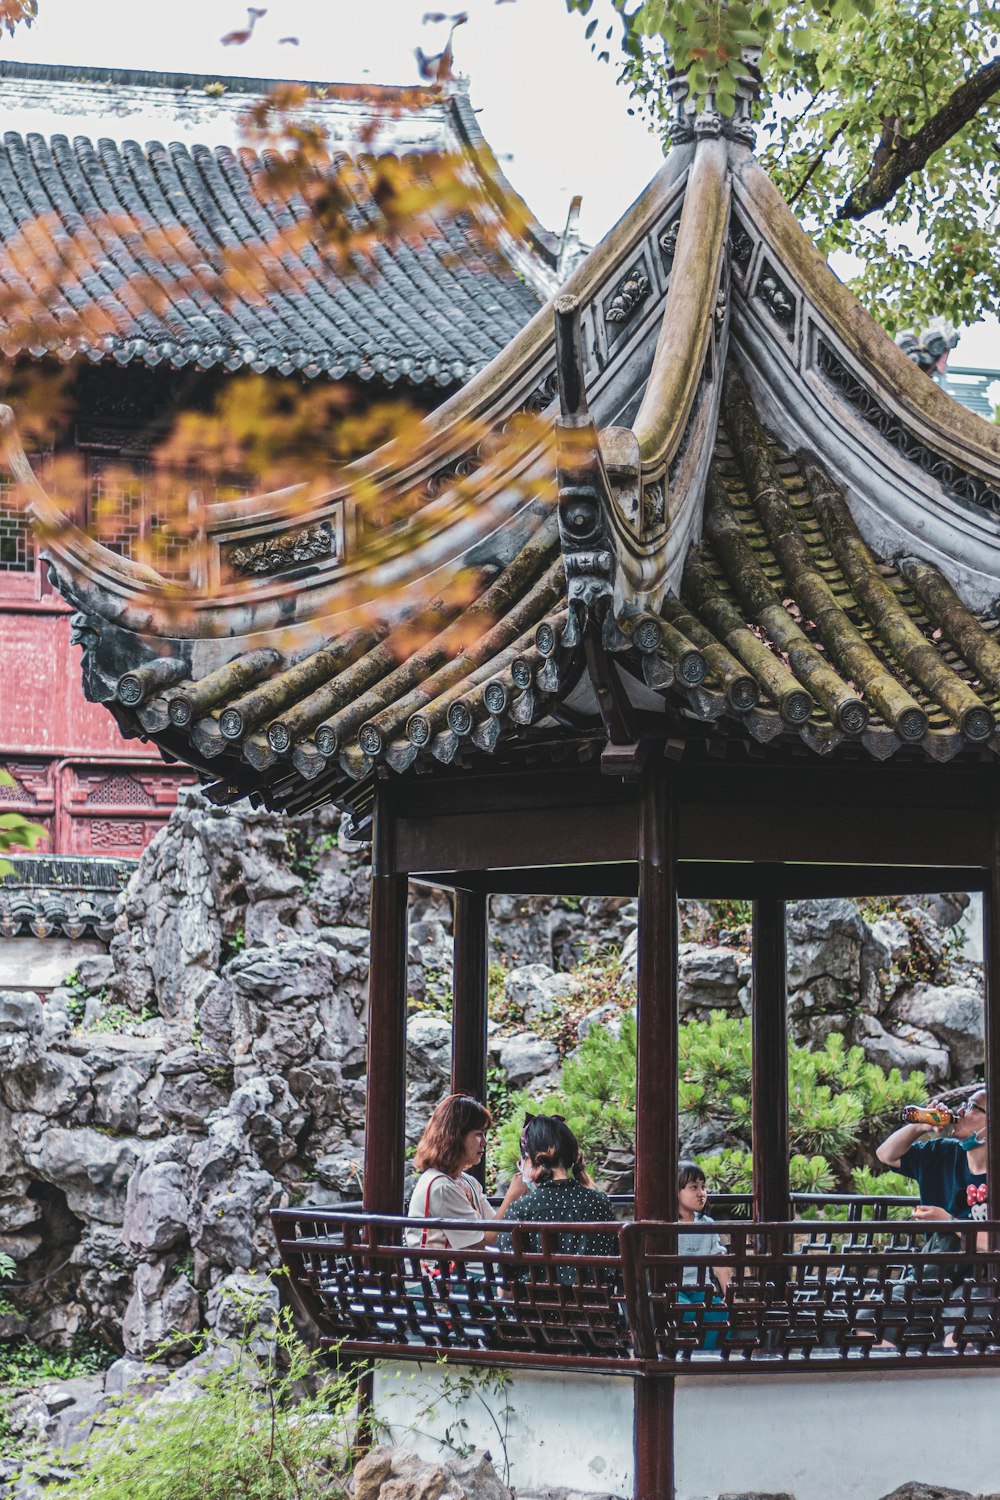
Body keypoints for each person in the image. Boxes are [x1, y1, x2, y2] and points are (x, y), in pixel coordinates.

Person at [875, 1088, 988, 1344]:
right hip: (936, 1271)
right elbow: (886, 1155)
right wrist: (921, 1125)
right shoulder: (944, 1153)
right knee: (872, 1322)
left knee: (958, 1337)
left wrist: (947, 1222)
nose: (960, 1111)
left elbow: (993, 1244)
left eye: (972, 1107)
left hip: (985, 1276)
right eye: (963, 1104)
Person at [497, 1113, 618, 1285]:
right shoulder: (600, 1202)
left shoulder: (521, 1209)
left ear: (530, 1159)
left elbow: (507, 1285)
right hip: (595, 1308)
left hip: (536, 1309)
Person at [406, 1093, 528, 1254]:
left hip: (468, 1272)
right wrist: (511, 1197)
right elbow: (484, 1241)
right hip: (443, 1276)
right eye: (478, 1134)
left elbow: (493, 1228)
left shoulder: (467, 1181)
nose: (484, 1142)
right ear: (455, 1136)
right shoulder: (441, 1187)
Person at [676, 1160, 731, 1350]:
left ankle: (710, 1359)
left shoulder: (707, 1223)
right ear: (676, 1192)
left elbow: (719, 1261)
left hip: (702, 1290)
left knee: (721, 1314)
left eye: (703, 1186)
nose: (701, 1193)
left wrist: (730, 1294)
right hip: (675, 1292)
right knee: (685, 1311)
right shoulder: (668, 1225)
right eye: (693, 1187)